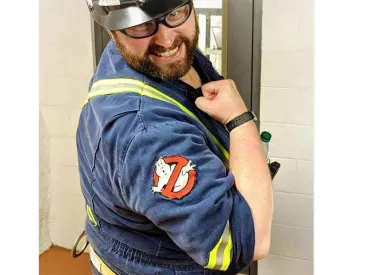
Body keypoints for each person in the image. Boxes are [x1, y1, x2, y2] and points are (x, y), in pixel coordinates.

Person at [75, 0, 274, 274]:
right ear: (112, 30)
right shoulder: (146, 133)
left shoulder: (157, 56)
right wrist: (239, 121)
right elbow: (249, 242)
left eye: (174, 13)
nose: (166, 39)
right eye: (140, 24)